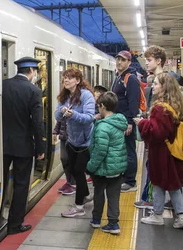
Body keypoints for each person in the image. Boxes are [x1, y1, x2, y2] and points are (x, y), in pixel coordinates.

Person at [135, 73, 183, 229]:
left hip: (162, 153)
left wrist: (142, 123)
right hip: (175, 151)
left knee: (158, 182)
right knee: (173, 185)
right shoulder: (177, 104)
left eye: (156, 84)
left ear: (164, 87)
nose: (153, 86)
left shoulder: (160, 108)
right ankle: (182, 216)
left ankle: (157, 215)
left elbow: (157, 133)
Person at [2, 57, 46, 234]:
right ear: (32, 71)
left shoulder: (3, 85)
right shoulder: (34, 91)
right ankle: (14, 224)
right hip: (24, 146)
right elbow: (37, 123)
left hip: (2, 145)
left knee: (2, 181)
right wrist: (41, 149)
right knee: (21, 185)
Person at [86, 92, 128, 234]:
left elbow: (100, 151)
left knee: (98, 194)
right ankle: (113, 223)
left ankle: (96, 220)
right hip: (117, 168)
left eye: (99, 106)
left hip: (103, 169)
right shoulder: (119, 122)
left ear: (102, 106)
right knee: (114, 196)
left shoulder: (103, 127)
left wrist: (90, 166)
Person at [57, 68, 96, 218]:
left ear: (78, 81)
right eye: (64, 77)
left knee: (79, 172)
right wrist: (61, 111)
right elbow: (57, 115)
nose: (66, 80)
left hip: (85, 142)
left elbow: (89, 118)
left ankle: (79, 206)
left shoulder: (86, 96)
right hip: (71, 140)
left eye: (70, 78)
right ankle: (85, 194)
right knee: (73, 170)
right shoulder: (65, 96)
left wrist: (73, 114)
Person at [134, 45, 167, 210]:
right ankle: (170, 203)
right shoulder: (157, 80)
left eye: (149, 60)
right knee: (159, 168)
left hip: (161, 133)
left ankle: (151, 200)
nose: (146, 63)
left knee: (155, 167)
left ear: (158, 61)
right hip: (159, 131)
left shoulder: (164, 81)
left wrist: (145, 122)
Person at [110, 50, 140, 192]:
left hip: (125, 121)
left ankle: (131, 182)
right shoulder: (119, 76)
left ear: (129, 62)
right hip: (119, 119)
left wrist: (129, 121)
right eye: (118, 59)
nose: (119, 62)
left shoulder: (131, 78)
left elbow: (133, 101)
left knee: (129, 150)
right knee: (123, 150)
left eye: (123, 60)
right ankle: (125, 176)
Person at [53, 106, 76, 195]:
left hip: (73, 137)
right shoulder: (64, 102)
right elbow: (60, 119)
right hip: (63, 137)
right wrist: (55, 132)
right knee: (64, 158)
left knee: (72, 161)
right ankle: (69, 181)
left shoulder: (78, 101)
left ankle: (73, 183)